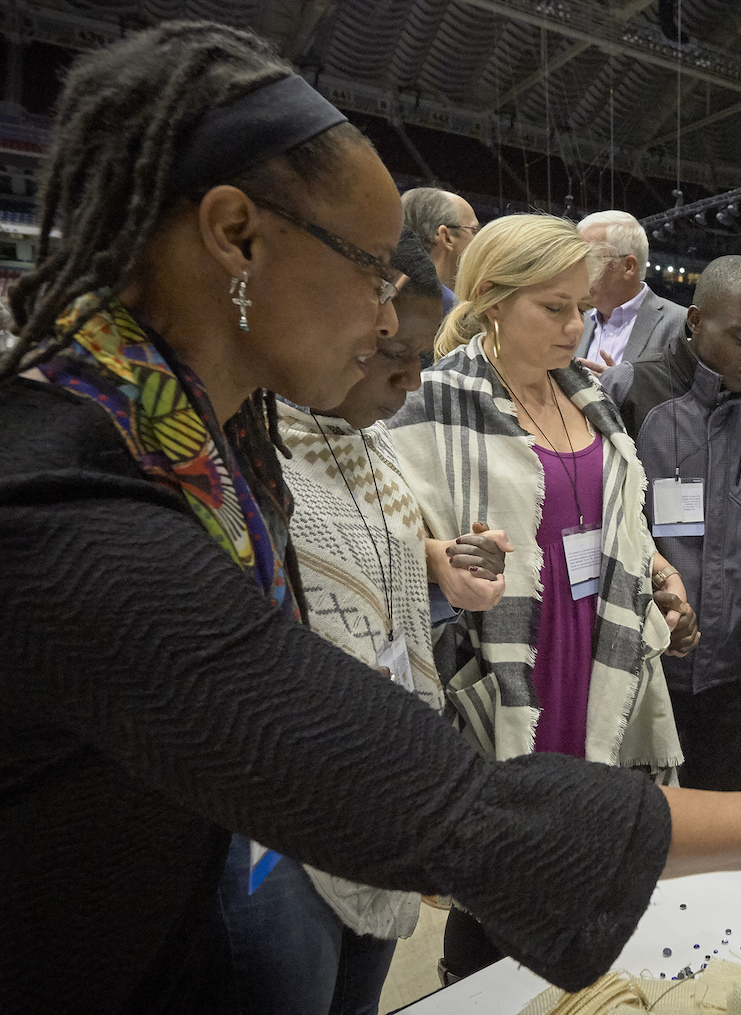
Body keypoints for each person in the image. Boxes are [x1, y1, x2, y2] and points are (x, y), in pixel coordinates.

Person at [0, 24, 741, 1013]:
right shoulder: (66, 517)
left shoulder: (187, 445)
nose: (391, 320)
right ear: (235, 234)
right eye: (372, 271)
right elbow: (465, 808)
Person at [388, 212, 706, 980]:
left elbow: (615, 514)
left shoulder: (589, 396)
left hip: (595, 647)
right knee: (499, 862)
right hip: (504, 663)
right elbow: (381, 530)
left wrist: (658, 572)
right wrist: (438, 560)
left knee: (587, 840)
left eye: (582, 308)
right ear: (494, 300)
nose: (576, 327)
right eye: (553, 308)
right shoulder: (431, 402)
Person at [210, 231, 500, 1014]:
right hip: (285, 823)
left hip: (380, 793)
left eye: (420, 355)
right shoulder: (243, 452)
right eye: (388, 352)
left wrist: (440, 571)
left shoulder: (376, 448)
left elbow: (379, 600)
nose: (411, 379)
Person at [602, 255, 741, 791]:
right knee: (644, 830)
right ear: (697, 321)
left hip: (729, 670)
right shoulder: (630, 391)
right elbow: (607, 520)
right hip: (645, 666)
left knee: (724, 824)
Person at [575, 209, 686, 375]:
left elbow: (688, 397)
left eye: (589, 259)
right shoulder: (578, 323)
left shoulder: (679, 324)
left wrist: (622, 389)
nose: (579, 270)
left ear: (628, 266)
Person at [400, 186, 478, 309]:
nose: (479, 242)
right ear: (446, 237)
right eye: (474, 231)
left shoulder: (389, 302)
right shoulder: (464, 320)